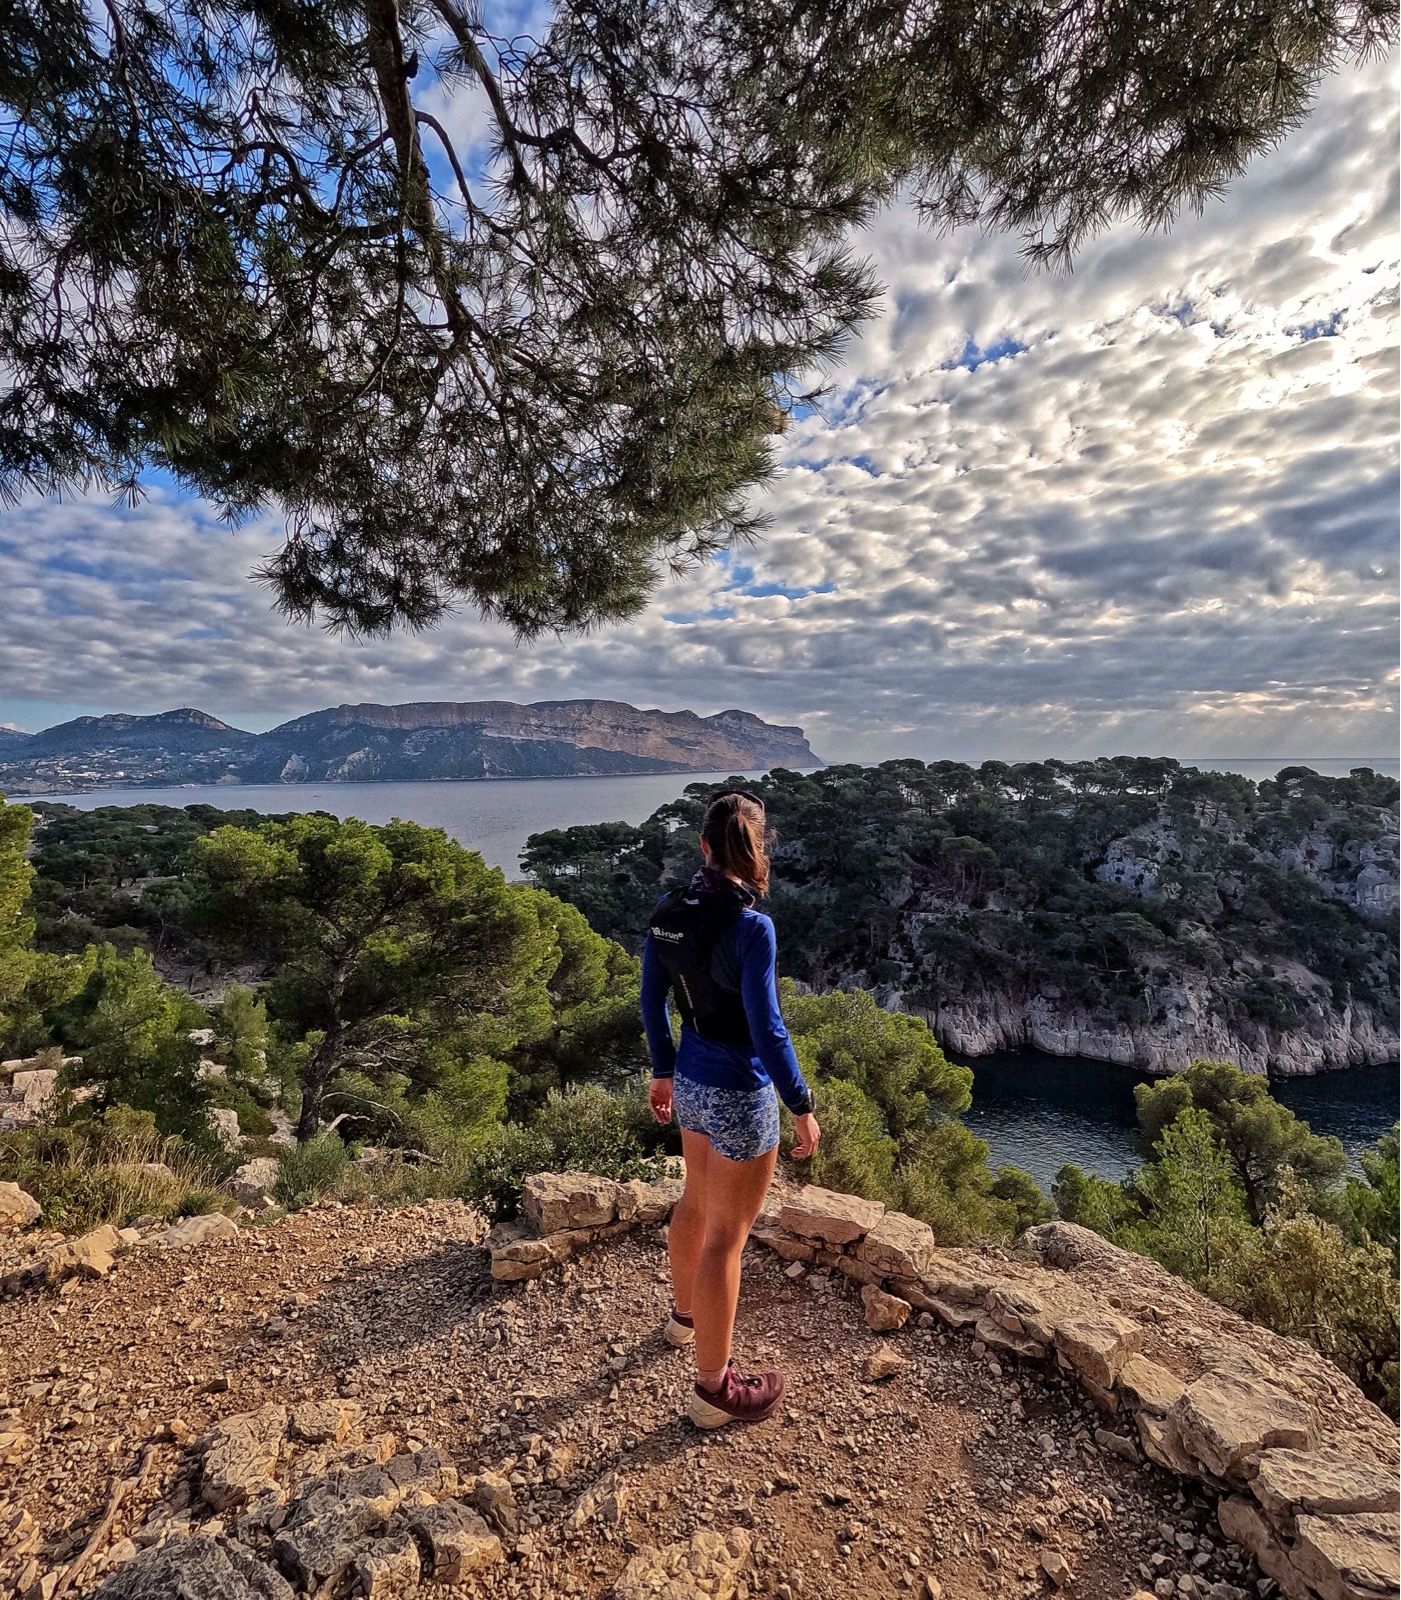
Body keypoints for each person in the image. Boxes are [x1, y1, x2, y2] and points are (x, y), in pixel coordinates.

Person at [640, 788, 821, 1428]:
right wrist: (800, 1103)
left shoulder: (668, 912)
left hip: (690, 1081)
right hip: (742, 1092)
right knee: (727, 1237)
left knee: (695, 1202)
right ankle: (714, 1390)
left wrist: (663, 1071)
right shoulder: (752, 927)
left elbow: (651, 1002)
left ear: (704, 846)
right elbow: (767, 1028)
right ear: (757, 849)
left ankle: (683, 1320)